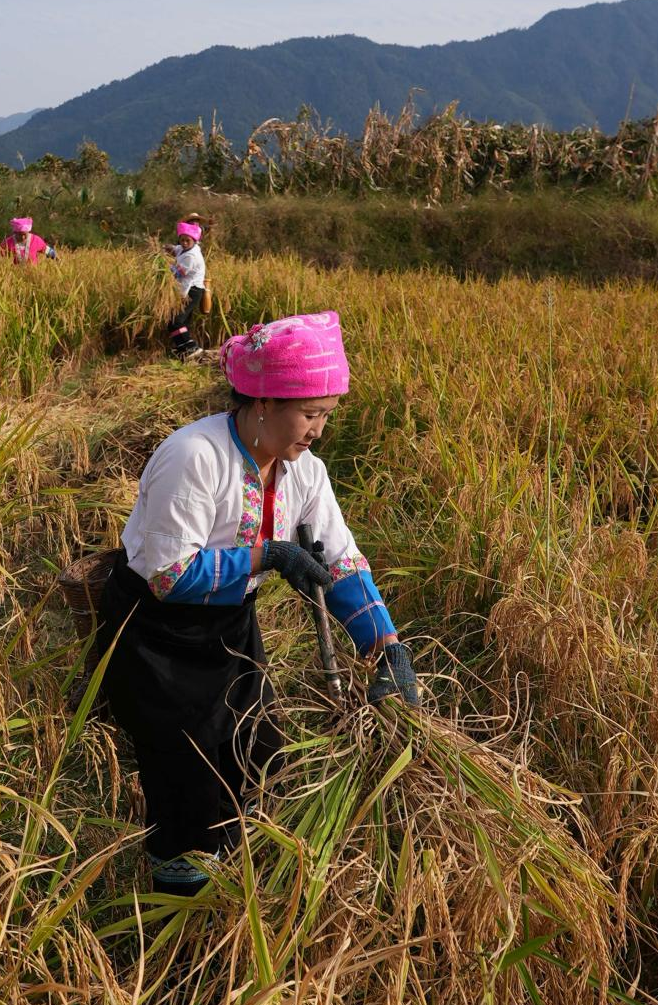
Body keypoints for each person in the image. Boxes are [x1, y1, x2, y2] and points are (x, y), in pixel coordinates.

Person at [96, 310, 419, 895]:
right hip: (156, 635)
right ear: (265, 401)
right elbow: (169, 575)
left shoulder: (305, 472)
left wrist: (386, 645)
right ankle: (178, 903)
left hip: (228, 628)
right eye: (310, 414)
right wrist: (267, 557)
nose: (317, 430)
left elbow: (341, 561)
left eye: (325, 415)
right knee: (186, 770)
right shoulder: (195, 456)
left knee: (256, 747)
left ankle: (238, 865)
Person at [164, 219, 206, 357]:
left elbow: (177, 272)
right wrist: (166, 248)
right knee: (179, 321)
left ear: (194, 240)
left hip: (192, 291)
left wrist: (162, 266)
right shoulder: (184, 248)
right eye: (181, 240)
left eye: (187, 240)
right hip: (185, 289)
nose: (184, 243)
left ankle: (192, 347)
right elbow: (176, 249)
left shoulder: (192, 256)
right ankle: (183, 349)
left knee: (176, 321)